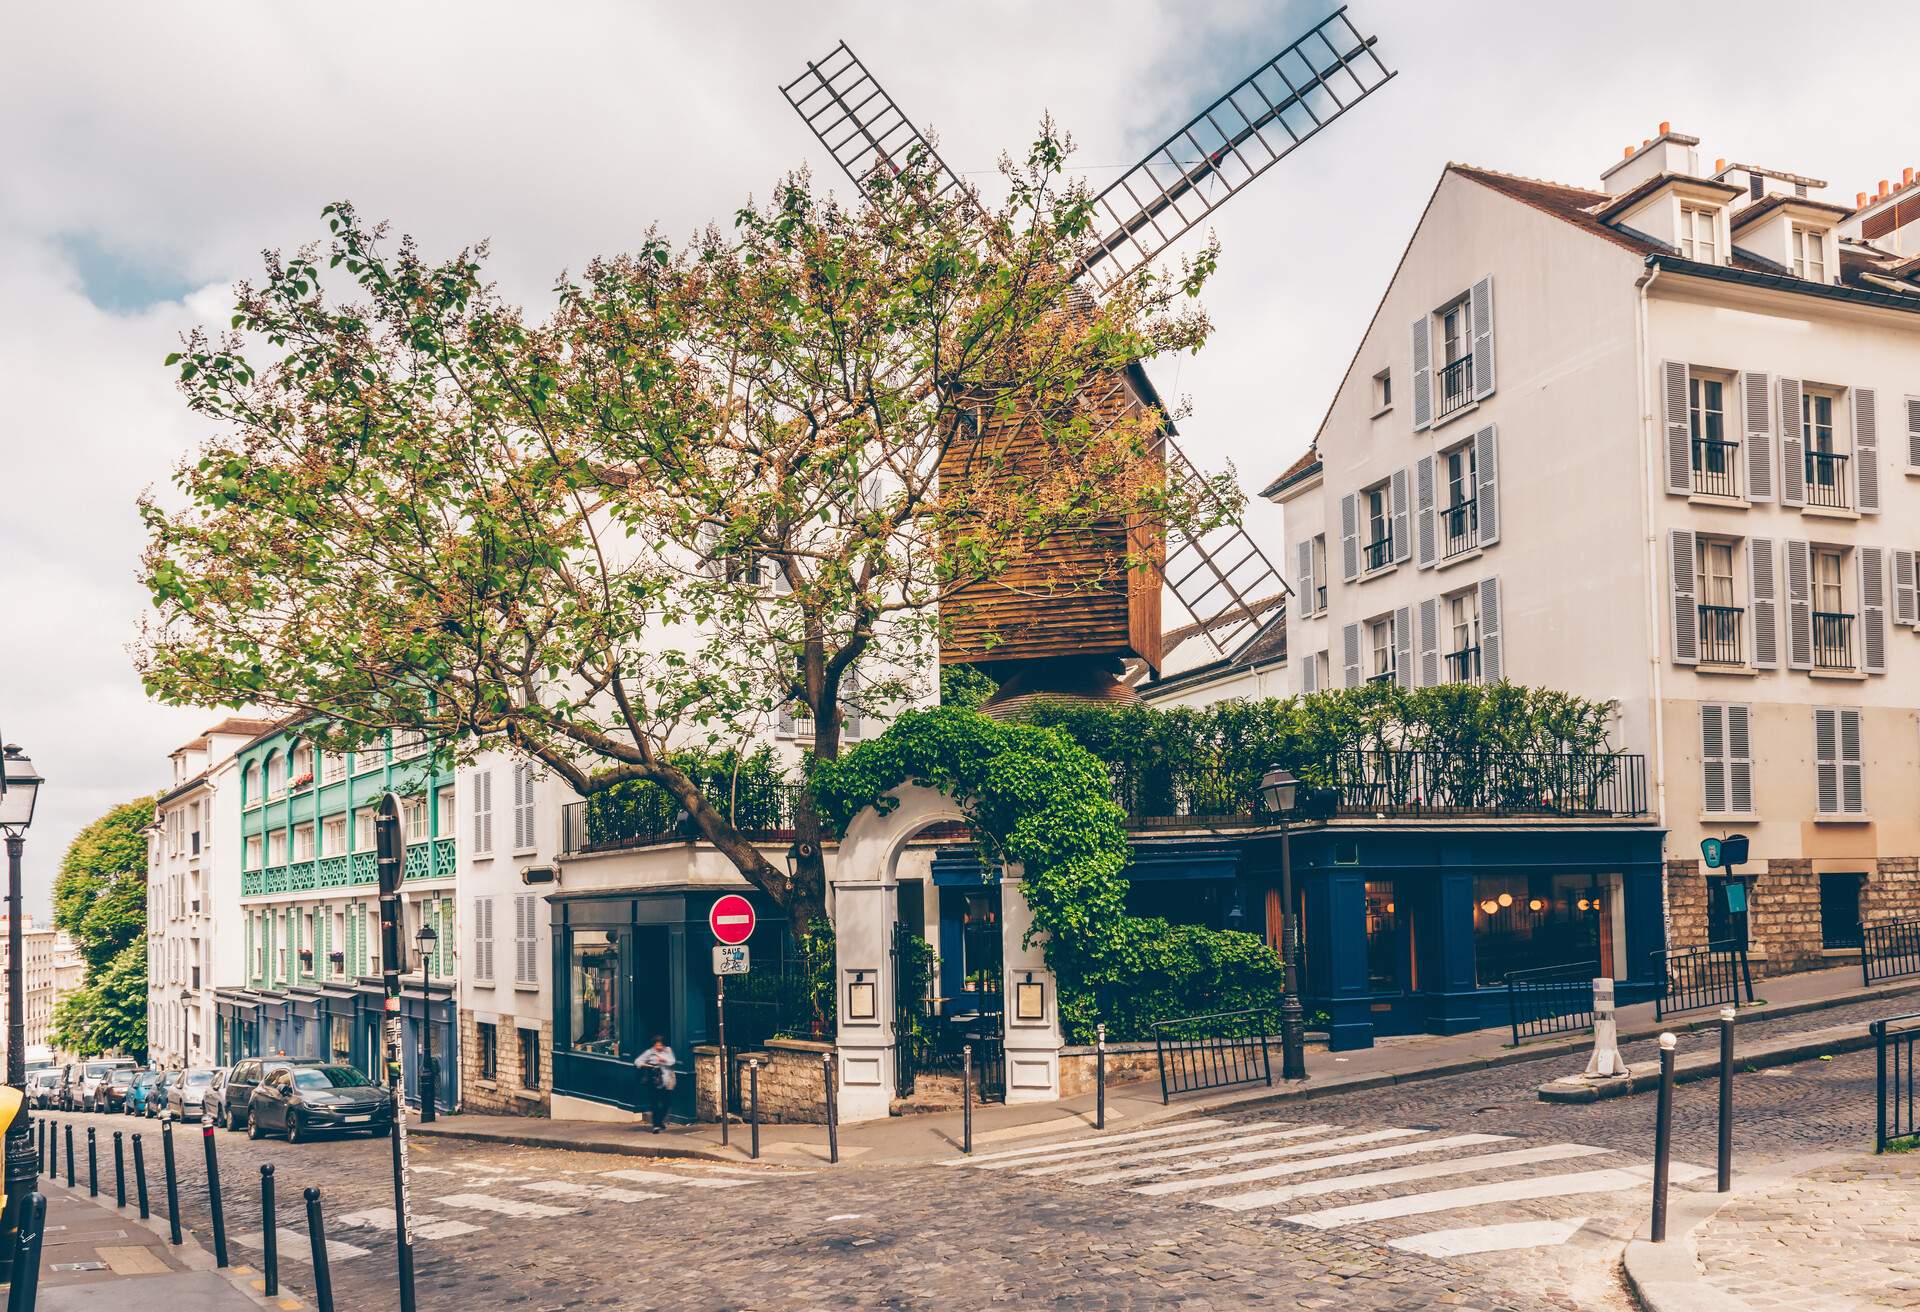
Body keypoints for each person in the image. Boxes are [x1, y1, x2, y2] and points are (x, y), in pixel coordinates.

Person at [634, 1035, 676, 1133]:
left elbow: (672, 1061)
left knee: (667, 1103)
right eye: (657, 1045)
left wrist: (663, 1060)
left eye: (660, 1045)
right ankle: (656, 1125)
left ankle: (660, 1121)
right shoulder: (650, 1052)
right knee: (655, 1103)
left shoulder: (668, 1050)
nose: (659, 1047)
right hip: (653, 1081)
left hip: (667, 1081)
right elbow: (637, 1061)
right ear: (654, 1045)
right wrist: (647, 1065)